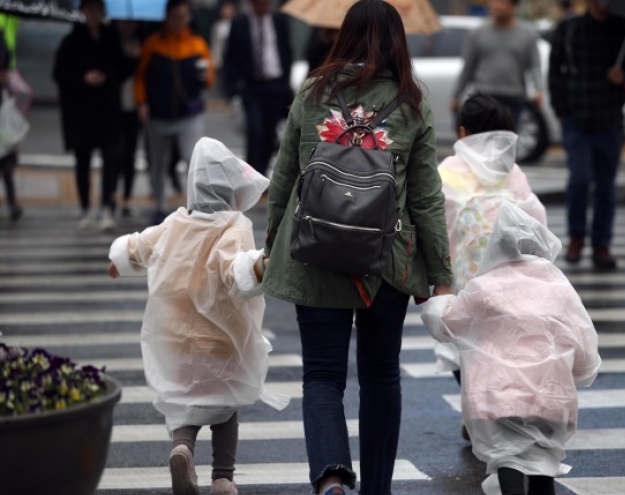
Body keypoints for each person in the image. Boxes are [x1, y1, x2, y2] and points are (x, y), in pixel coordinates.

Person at [262, 1, 453, 494]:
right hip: (385, 263)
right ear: (398, 42)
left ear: (342, 36)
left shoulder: (313, 92)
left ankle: (330, 479)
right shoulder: (411, 102)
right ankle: (377, 489)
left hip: (315, 254)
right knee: (381, 378)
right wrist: (441, 275)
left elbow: (285, 177)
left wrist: (271, 243)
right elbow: (429, 197)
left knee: (322, 378)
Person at [107, 137, 289, 495]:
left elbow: (139, 246)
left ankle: (182, 448)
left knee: (184, 406)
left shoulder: (174, 223)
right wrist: (259, 267)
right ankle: (223, 478)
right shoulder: (233, 226)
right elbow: (234, 268)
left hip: (175, 340)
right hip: (221, 341)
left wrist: (117, 261)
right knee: (225, 409)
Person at [421, 199, 601, 495]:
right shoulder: (559, 288)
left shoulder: (485, 288)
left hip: (498, 398)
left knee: (508, 460)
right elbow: (585, 350)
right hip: (551, 397)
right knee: (543, 465)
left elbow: (447, 324)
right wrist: (574, 373)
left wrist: (439, 297)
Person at [434, 94, 548, 426]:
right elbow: (535, 218)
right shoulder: (511, 171)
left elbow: (435, 221)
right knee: (504, 347)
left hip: (463, 281)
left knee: (463, 349)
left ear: (463, 132)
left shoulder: (449, 170)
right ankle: (501, 407)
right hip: (512, 277)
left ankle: (477, 412)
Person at [548, 0, 625, 270]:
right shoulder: (568, 29)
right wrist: (562, 110)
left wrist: (624, 74)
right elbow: (554, 72)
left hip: (609, 120)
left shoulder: (624, 29)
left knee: (606, 186)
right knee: (579, 180)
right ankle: (576, 236)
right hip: (576, 120)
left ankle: (602, 244)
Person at [135, 0, 215, 225]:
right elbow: (140, 77)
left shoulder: (197, 44)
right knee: (158, 163)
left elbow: (210, 77)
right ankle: (159, 206)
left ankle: (196, 207)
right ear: (167, 18)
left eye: (183, 17)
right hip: (158, 115)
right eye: (174, 17)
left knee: (193, 159)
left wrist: (205, 74)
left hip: (189, 115)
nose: (179, 22)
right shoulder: (153, 44)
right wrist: (142, 102)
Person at [52, 0, 125, 231]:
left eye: (98, 9)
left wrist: (129, 59)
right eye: (90, 9)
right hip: (81, 112)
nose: (94, 13)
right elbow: (60, 74)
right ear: (82, 11)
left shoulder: (112, 38)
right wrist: (83, 79)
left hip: (108, 110)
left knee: (111, 159)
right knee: (83, 160)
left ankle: (107, 207)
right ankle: (84, 207)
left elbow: (121, 69)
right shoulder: (72, 40)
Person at [222, 0, 292, 177]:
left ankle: (261, 175)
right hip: (251, 85)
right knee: (255, 131)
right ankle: (251, 177)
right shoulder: (239, 23)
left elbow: (286, 50)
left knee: (270, 133)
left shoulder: (279, 21)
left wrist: (285, 81)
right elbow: (230, 57)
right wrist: (231, 89)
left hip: (275, 84)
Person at [450, 0, 543, 127]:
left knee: (508, 141)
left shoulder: (527, 35)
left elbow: (535, 66)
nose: (495, 6)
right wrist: (456, 95)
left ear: (512, 6)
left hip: (513, 98)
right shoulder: (477, 33)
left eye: (500, 2)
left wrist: (538, 90)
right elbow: (467, 67)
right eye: (492, 2)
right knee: (484, 141)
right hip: (484, 97)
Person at [113, 19, 142, 218]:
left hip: (134, 106)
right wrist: (131, 59)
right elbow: (118, 72)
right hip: (114, 107)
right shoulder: (110, 42)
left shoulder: (139, 41)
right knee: (116, 153)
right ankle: (112, 197)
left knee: (130, 154)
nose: (126, 26)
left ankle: (127, 198)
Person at [0, 17, 22, 222]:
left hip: (2, 104)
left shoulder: (2, 33)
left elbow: (6, 71)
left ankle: (12, 203)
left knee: (6, 156)